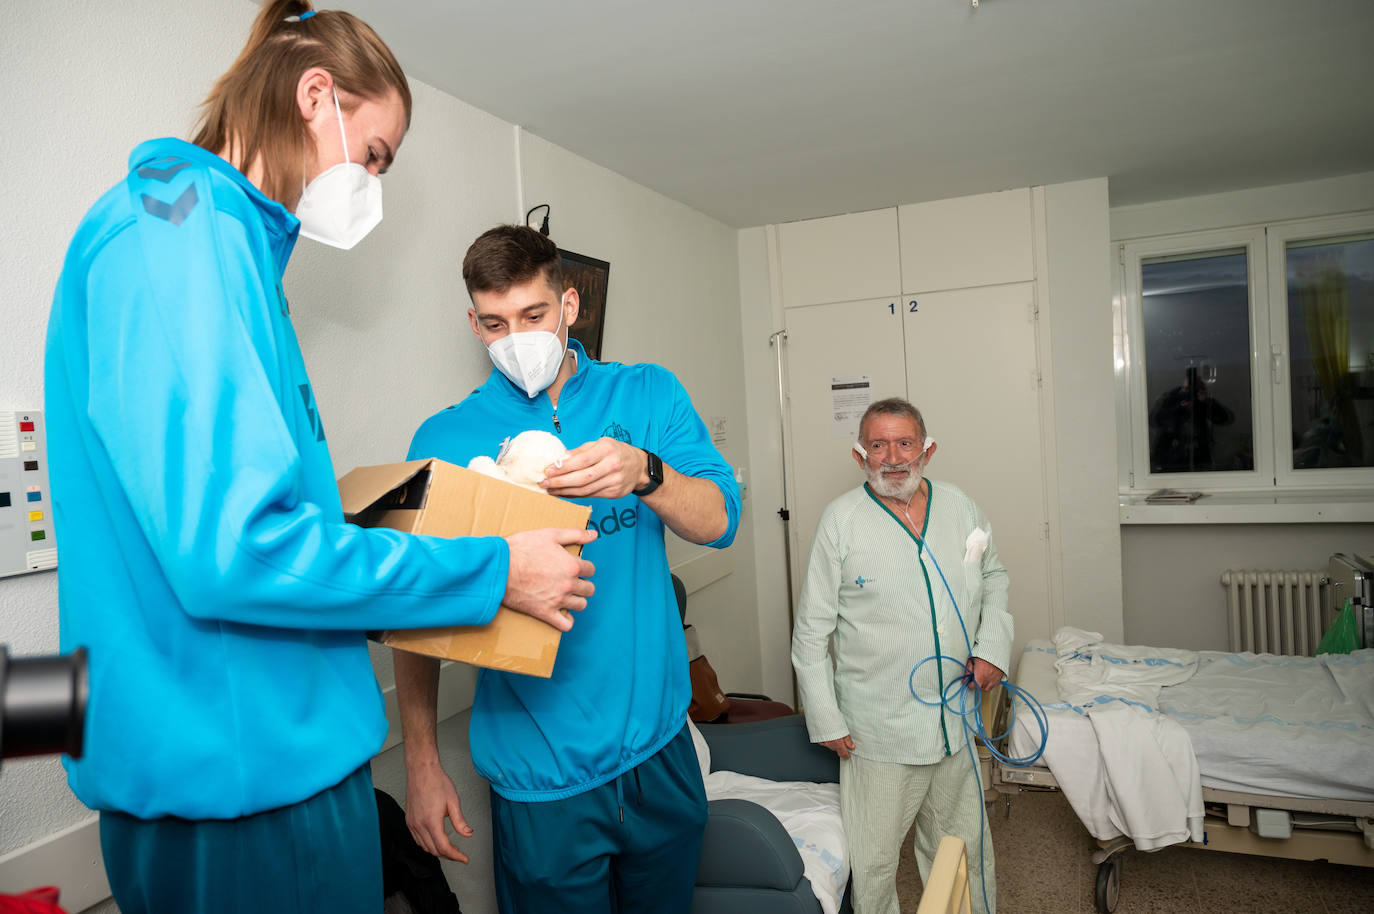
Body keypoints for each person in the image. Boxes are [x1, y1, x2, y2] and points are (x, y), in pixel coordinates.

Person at [43, 4, 594, 912]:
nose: (370, 183)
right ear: (315, 96)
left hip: (273, 759)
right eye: (373, 155)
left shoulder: (228, 250)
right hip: (240, 784)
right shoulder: (173, 235)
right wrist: (494, 571)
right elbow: (241, 550)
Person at [395, 225, 741, 914]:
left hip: (658, 750)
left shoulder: (647, 394)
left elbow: (719, 521)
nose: (516, 338)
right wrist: (422, 762)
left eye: (533, 315)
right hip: (539, 773)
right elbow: (413, 615)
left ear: (570, 306)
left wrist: (646, 473)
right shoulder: (443, 440)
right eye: (495, 324)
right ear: (473, 324)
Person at [791, 398, 1012, 914]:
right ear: (859, 456)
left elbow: (994, 575)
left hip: (954, 719)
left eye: (905, 443)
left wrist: (992, 648)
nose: (893, 458)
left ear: (927, 450)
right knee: (872, 865)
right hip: (877, 732)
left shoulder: (960, 507)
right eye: (878, 445)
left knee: (964, 850)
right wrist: (825, 717)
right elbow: (811, 631)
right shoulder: (841, 521)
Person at [1148, 365, 1236, 472]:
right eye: (1187, 389)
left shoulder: (1202, 403)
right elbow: (1153, 421)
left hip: (1199, 461)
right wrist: (1177, 406)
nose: (1190, 393)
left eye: (1193, 388)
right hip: (1169, 461)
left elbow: (1226, 419)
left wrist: (1207, 401)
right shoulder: (1171, 399)